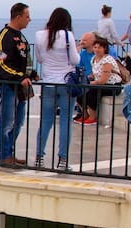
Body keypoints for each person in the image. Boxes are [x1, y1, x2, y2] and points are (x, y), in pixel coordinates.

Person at [34, 7, 80, 170]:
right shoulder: (68, 36)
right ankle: (62, 160)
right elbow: (74, 60)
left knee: (46, 121)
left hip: (48, 84)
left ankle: (39, 157)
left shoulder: (39, 35)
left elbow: (39, 59)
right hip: (66, 84)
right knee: (66, 121)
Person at [0, 3, 37, 168]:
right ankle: (2, 155)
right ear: (18, 17)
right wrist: (18, 77)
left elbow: (23, 60)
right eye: (27, 16)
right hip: (9, 85)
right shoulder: (3, 37)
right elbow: (1, 63)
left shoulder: (21, 37)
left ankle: (9, 152)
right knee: (7, 121)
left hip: (20, 86)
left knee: (18, 121)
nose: (29, 19)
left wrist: (30, 74)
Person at [78, 37, 123, 125]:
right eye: (95, 47)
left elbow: (102, 80)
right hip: (100, 83)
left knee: (91, 91)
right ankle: (85, 114)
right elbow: (94, 74)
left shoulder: (107, 60)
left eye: (99, 47)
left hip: (112, 85)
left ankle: (92, 117)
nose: (97, 50)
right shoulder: (94, 59)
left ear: (105, 48)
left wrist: (89, 83)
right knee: (78, 90)